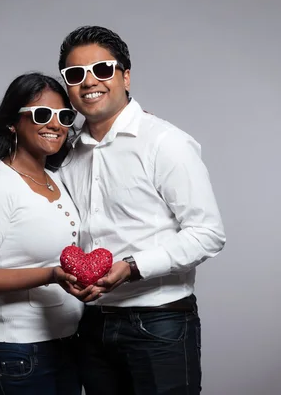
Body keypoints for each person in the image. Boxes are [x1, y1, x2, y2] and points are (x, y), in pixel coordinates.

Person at [53, 26, 226, 394]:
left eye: (102, 70)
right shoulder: (68, 155)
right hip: (91, 323)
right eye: (75, 75)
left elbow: (208, 234)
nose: (89, 83)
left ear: (125, 76)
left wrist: (131, 268)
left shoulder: (165, 142)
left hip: (159, 322)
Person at [0, 72, 85, 395]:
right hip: (19, 355)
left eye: (64, 116)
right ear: (13, 122)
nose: (55, 124)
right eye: (41, 114)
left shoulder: (58, 178)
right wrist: (51, 275)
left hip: (69, 347)